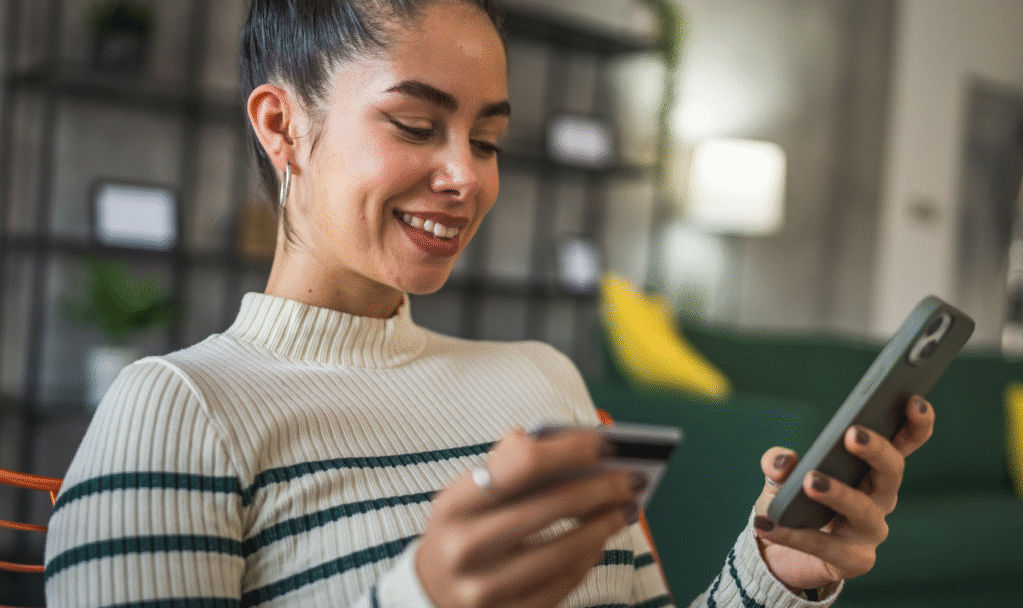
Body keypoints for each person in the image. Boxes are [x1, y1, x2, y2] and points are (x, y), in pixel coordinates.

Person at [43, 1, 935, 606]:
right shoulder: (180, 410)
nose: (466, 176)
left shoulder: (544, 382)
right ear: (282, 126)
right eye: (415, 125)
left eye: (490, 137)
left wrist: (777, 568)